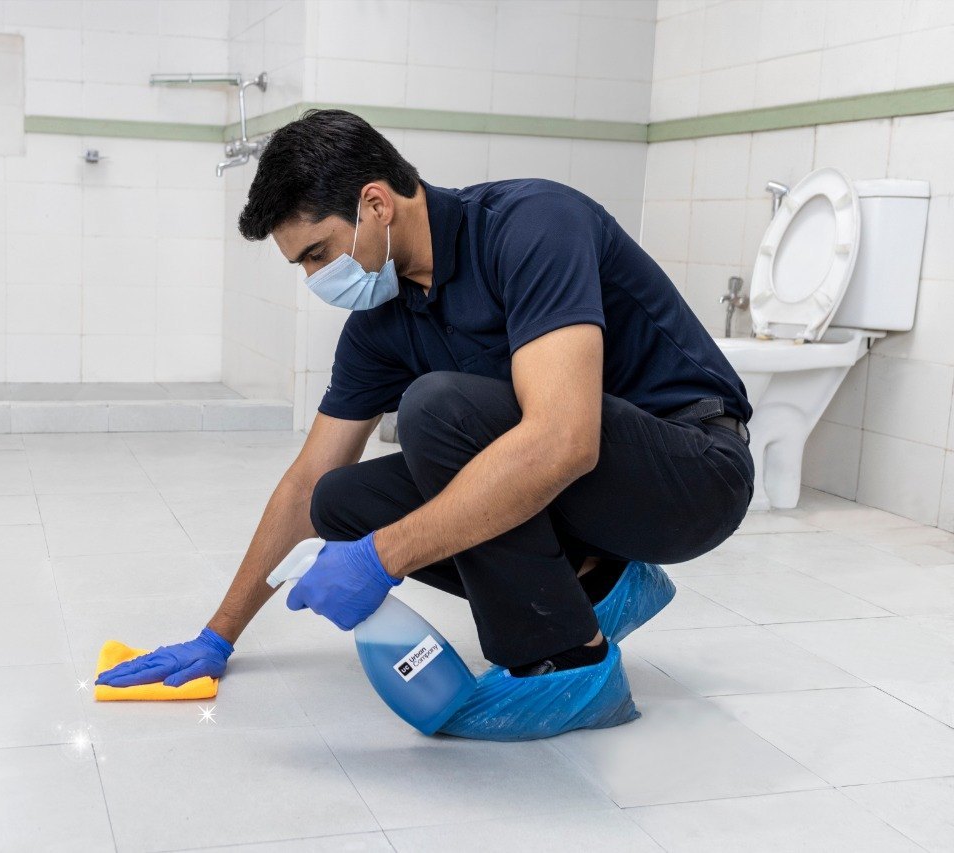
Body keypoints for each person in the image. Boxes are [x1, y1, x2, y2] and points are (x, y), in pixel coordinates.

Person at [96, 109, 754, 739]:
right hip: (586, 497)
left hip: (693, 473)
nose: (315, 278)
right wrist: (218, 635)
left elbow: (564, 440)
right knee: (340, 501)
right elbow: (308, 481)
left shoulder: (532, 226)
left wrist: (382, 558)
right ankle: (595, 581)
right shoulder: (380, 326)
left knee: (437, 410)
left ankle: (569, 663)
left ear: (376, 204)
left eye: (318, 253)